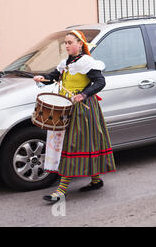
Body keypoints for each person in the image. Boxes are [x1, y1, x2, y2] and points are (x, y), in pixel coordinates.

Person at [33, 30, 116, 202]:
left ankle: (62, 189)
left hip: (82, 108)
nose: (67, 45)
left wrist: (84, 94)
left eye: (70, 42)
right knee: (85, 144)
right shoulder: (65, 63)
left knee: (72, 145)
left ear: (80, 44)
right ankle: (95, 180)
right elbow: (54, 76)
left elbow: (100, 82)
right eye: (65, 43)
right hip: (68, 107)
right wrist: (44, 78)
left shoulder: (86, 62)